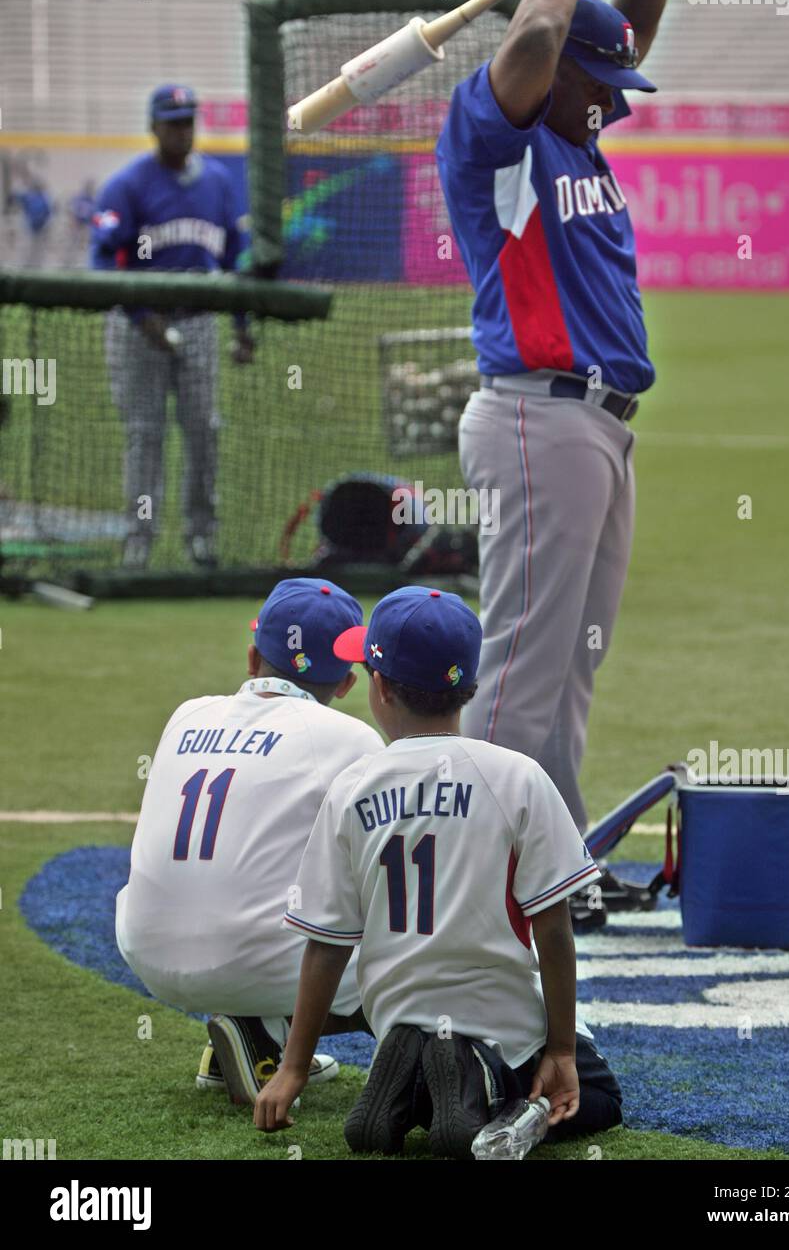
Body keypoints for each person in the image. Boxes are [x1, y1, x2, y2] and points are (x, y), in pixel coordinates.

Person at [434, 0, 673, 926]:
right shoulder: (497, 134)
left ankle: (555, 859)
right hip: (537, 413)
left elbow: (617, 29)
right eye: (603, 77)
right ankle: (477, 873)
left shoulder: (574, 128)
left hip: (597, 425)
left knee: (567, 671)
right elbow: (538, 34)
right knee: (523, 663)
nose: (616, 96)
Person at [253, 586, 623, 1158]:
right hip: (503, 1025)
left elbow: (326, 946)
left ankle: (419, 1083)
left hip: (396, 1016)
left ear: (378, 687)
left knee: (423, 1052)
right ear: (469, 686)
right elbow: (553, 930)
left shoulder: (352, 786)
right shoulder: (518, 777)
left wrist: (293, 1069)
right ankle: (486, 1082)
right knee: (597, 1096)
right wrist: (563, 1053)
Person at [115, 577, 385, 1106]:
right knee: (404, 910)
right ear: (349, 683)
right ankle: (274, 1028)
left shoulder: (185, 714)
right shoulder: (349, 738)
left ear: (251, 657)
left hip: (147, 954)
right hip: (263, 964)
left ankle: (253, 1034)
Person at [90, 83, 253, 570]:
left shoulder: (218, 183)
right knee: (145, 433)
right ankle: (138, 539)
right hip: (139, 329)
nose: (183, 131)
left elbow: (233, 259)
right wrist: (141, 317)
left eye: (188, 121)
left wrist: (242, 327)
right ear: (153, 127)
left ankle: (201, 538)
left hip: (199, 323)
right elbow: (102, 259)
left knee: (204, 430)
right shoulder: (127, 185)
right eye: (173, 122)